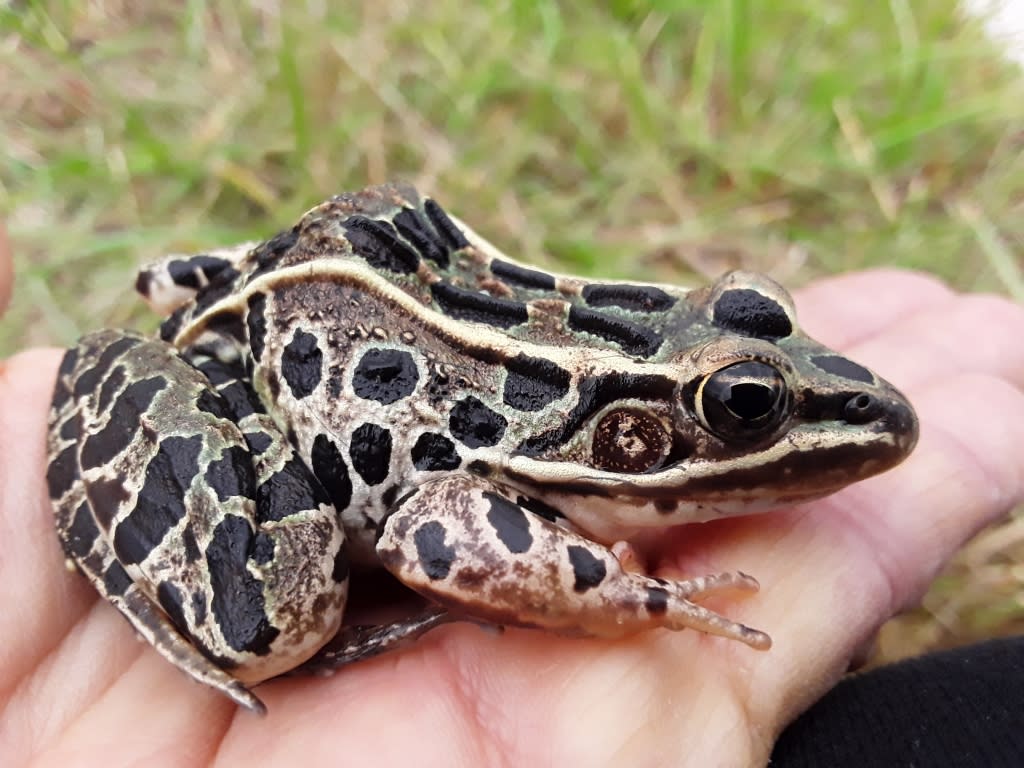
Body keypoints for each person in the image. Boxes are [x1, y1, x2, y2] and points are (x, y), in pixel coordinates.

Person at [1, 223, 1022, 766]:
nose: (813, 418)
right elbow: (434, 532)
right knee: (276, 617)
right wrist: (620, 597)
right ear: (635, 432)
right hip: (257, 365)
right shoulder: (569, 452)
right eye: (747, 405)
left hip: (342, 281)